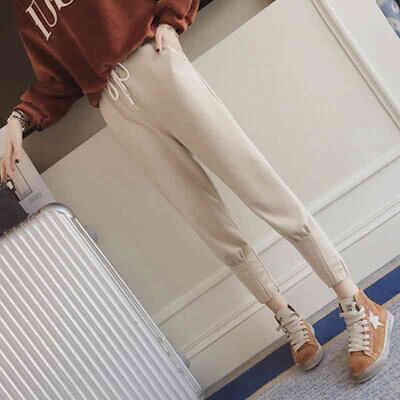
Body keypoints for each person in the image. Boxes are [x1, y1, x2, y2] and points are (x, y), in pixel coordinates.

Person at [3, 0, 393, 383]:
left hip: (155, 61)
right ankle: (286, 315)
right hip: (114, 105)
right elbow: (58, 80)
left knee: (255, 182)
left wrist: (171, 19)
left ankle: (357, 301)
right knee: (204, 218)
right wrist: (18, 120)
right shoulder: (25, 9)